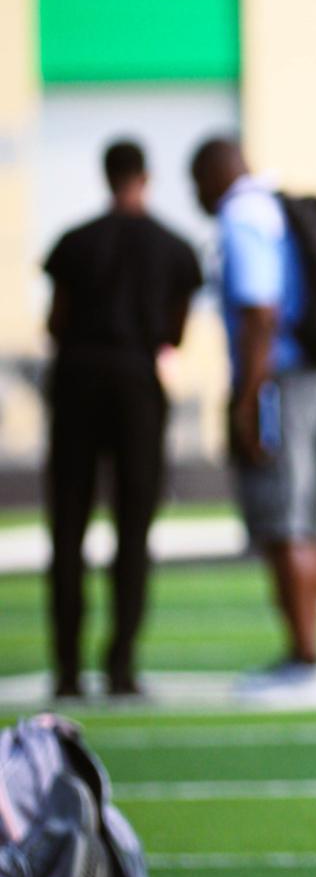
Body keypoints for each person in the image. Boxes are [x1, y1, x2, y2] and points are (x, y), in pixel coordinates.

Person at [189, 137, 316, 706]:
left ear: (214, 173)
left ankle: (306, 657)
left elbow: (259, 310)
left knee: (285, 524)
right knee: (304, 518)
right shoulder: (277, 204)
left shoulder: (241, 215)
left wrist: (246, 397)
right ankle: (309, 653)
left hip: (282, 380)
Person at [43, 140, 203, 699]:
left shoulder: (74, 243)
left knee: (68, 527)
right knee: (133, 530)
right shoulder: (174, 247)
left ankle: (66, 666)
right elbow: (176, 332)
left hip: (78, 383)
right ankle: (122, 664)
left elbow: (57, 320)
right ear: (147, 176)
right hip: (138, 383)